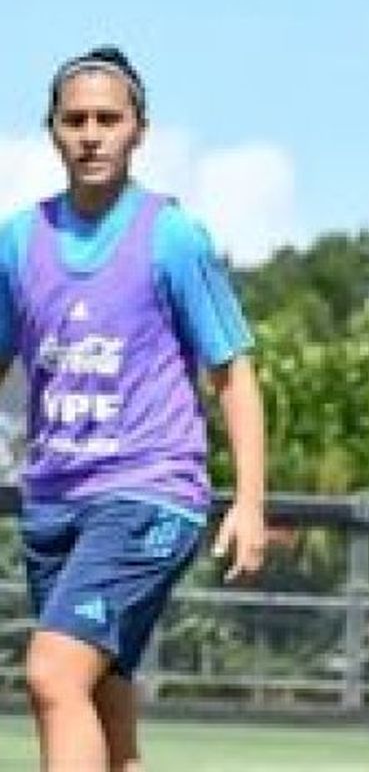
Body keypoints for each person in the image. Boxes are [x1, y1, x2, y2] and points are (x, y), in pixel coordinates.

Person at [0, 46, 268, 772]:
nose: (91, 133)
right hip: (53, 504)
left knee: (54, 675)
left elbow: (233, 374)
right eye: (75, 119)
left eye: (107, 119)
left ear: (138, 131)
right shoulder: (19, 242)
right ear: (52, 130)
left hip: (148, 493)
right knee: (105, 718)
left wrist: (248, 503)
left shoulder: (171, 237)